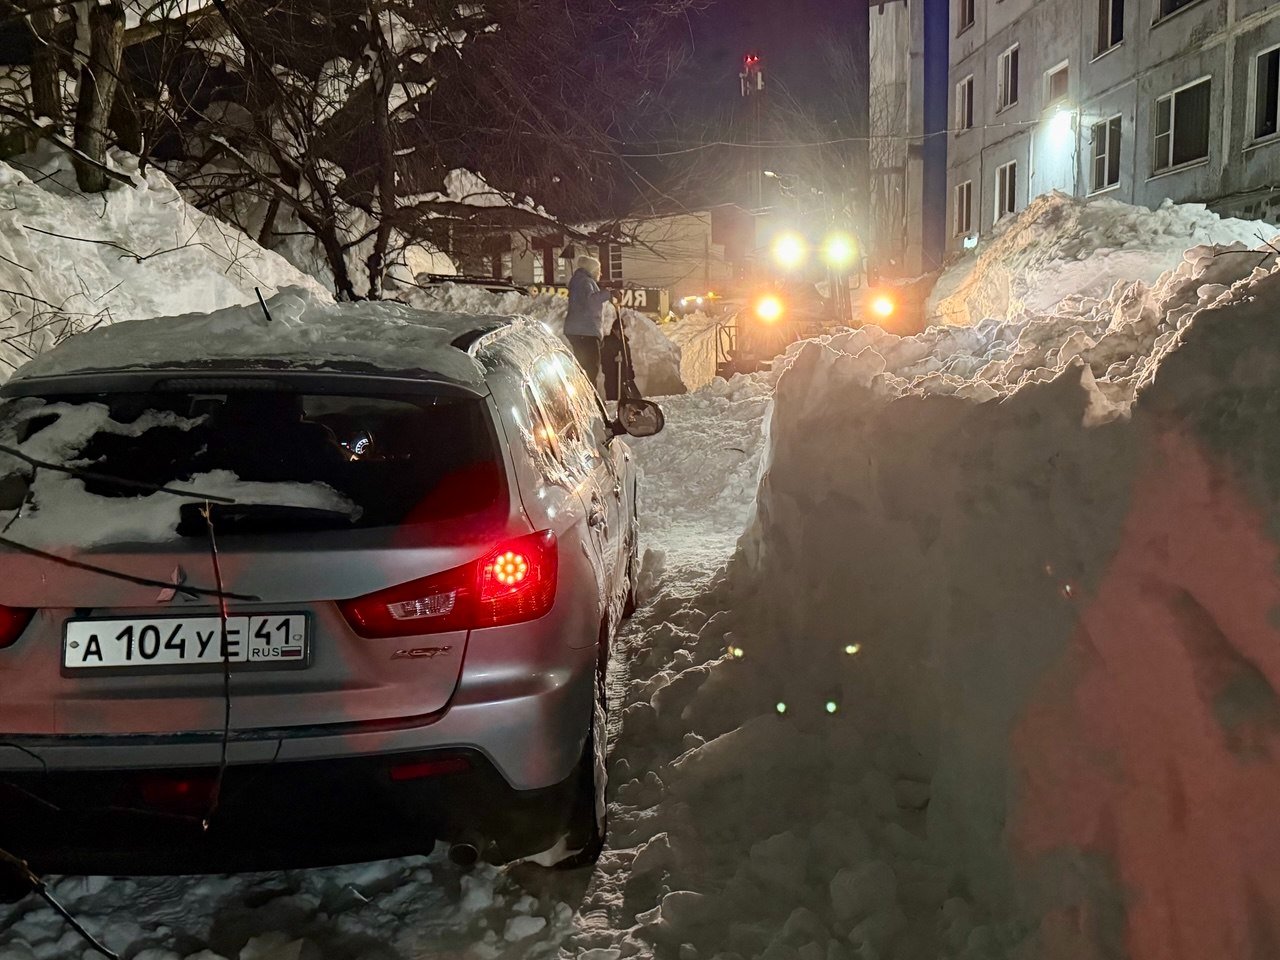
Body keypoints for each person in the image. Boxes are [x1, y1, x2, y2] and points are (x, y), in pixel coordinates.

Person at [564, 255, 615, 389]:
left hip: (580, 330)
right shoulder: (585, 282)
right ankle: (587, 395)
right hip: (585, 331)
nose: (600, 274)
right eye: (599, 270)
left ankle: (587, 394)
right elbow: (591, 301)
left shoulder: (579, 281)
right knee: (591, 368)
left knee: (586, 367)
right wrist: (608, 293)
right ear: (592, 270)